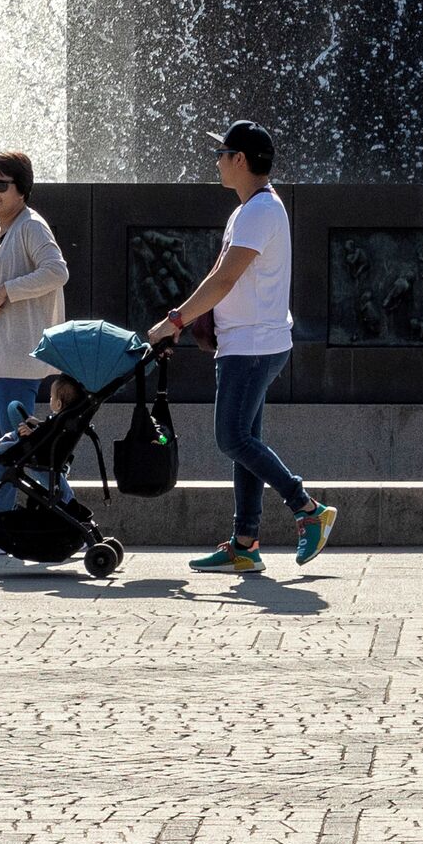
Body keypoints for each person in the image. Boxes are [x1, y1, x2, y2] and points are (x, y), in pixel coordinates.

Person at [147, 120, 335, 574]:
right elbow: (221, 277)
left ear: (240, 161)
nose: (216, 161)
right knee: (245, 440)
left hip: (252, 346)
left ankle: (307, 508)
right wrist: (189, 322)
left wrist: (175, 320)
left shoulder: (258, 211)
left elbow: (225, 278)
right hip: (248, 343)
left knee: (232, 437)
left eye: (222, 153)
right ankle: (245, 543)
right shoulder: (249, 210)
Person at [0, 151, 72, 500]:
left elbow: (57, 271)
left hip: (16, 353)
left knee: (20, 439)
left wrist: (8, 291)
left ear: (21, 188)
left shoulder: (31, 225)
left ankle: (68, 508)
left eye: (1, 185)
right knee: (0, 444)